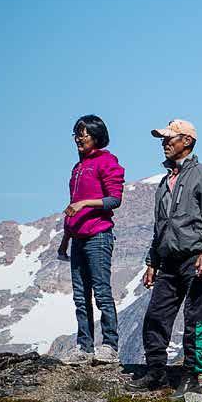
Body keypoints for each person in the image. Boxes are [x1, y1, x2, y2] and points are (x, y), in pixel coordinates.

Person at [135, 119, 202, 396]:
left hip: (195, 260)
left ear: (187, 141)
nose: (165, 143)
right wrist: (152, 262)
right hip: (169, 263)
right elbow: (159, 227)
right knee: (155, 317)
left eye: (170, 138)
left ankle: (191, 376)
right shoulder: (164, 184)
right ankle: (156, 372)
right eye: (163, 139)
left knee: (195, 319)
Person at [61, 115, 125, 364]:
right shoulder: (77, 168)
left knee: (101, 291)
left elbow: (115, 199)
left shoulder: (107, 162)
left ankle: (109, 345)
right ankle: (84, 347)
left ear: (96, 136)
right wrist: (65, 239)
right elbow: (72, 208)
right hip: (77, 238)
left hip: (98, 235)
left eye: (83, 133)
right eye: (76, 133)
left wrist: (85, 203)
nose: (79, 137)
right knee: (80, 295)